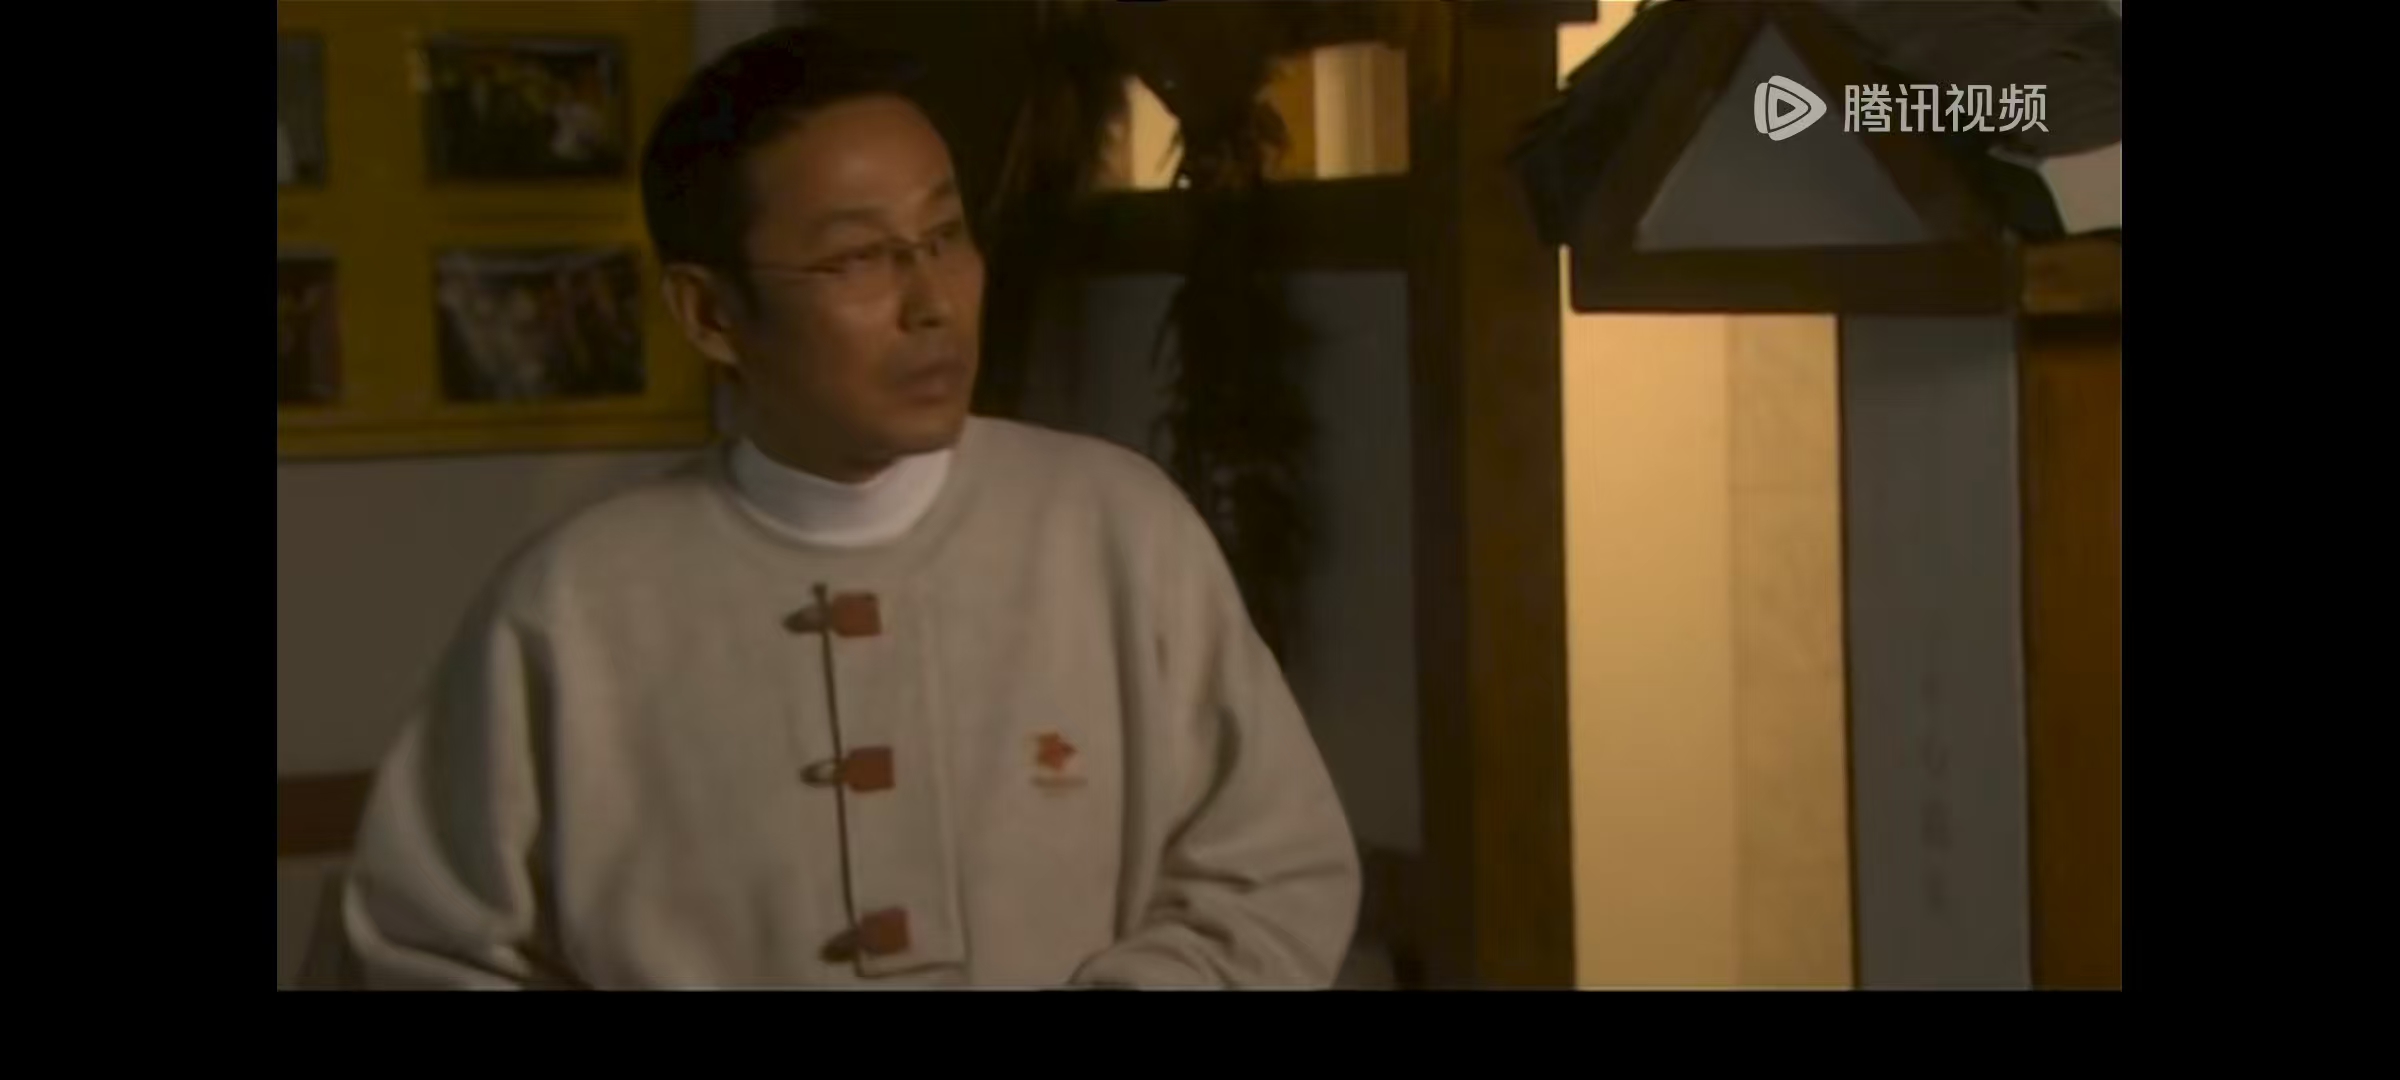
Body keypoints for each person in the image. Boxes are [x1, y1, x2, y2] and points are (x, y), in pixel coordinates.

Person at [323, 26, 1359, 989]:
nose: (932, 302)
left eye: (945, 235)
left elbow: (1273, 872)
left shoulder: (1117, 530)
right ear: (711, 313)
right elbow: (417, 951)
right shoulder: (571, 607)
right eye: (857, 258)